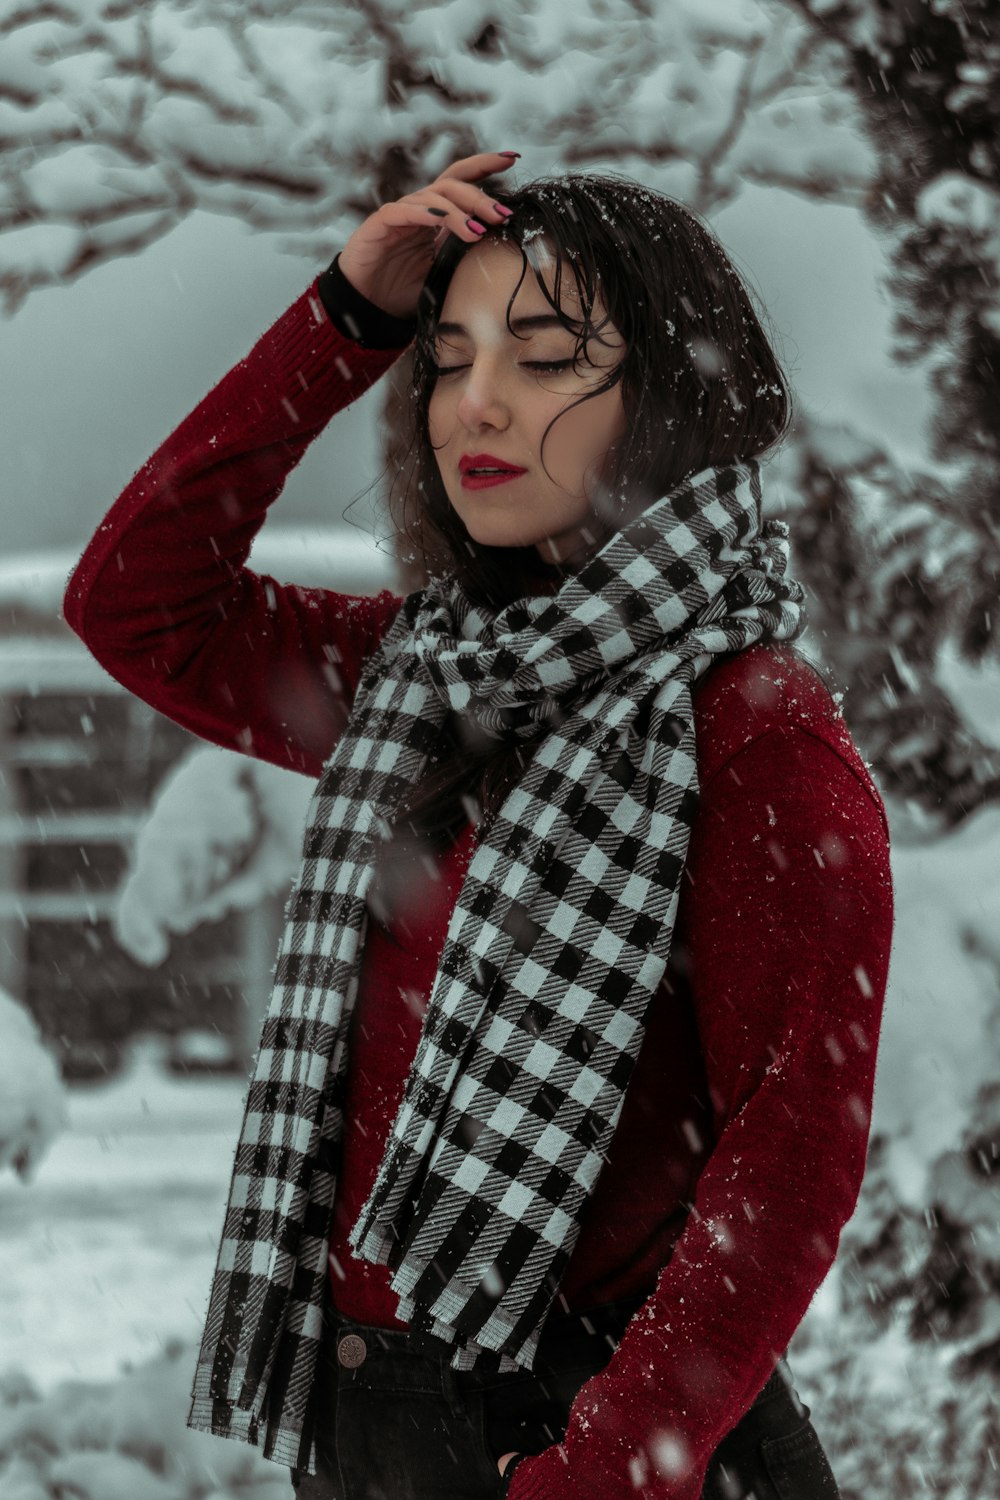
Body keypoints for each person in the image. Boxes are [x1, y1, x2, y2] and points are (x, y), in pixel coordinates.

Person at [64, 150, 894, 1500]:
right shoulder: (424, 684)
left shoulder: (751, 728)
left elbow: (787, 1158)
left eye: (547, 354)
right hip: (374, 1425)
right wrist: (344, 318)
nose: (477, 403)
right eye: (448, 358)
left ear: (672, 393)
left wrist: (606, 1470)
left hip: (595, 1443)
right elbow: (135, 601)